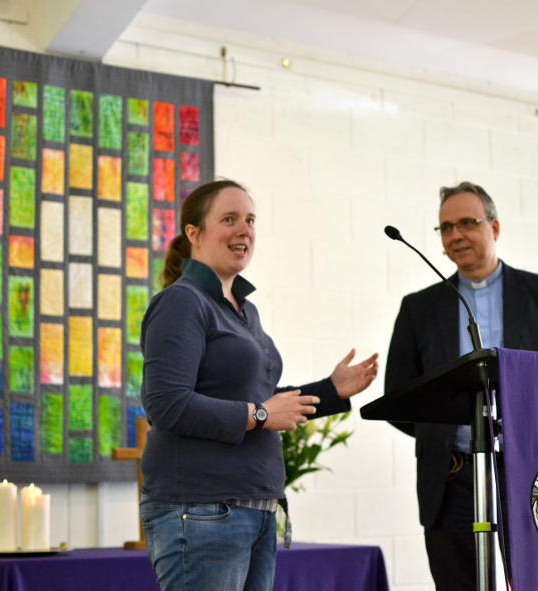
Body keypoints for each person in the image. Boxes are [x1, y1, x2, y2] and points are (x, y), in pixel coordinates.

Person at [139, 179, 379, 591]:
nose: (244, 229)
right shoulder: (182, 302)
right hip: (201, 511)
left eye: (250, 220)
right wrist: (261, 414)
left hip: (255, 508)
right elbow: (166, 404)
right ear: (194, 234)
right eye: (229, 219)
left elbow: (260, 402)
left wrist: (330, 391)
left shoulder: (244, 310)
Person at [384, 181, 538, 591]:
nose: (455, 235)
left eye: (466, 223)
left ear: (494, 228)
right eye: (445, 228)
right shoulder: (419, 308)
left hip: (535, 472)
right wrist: (446, 432)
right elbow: (400, 395)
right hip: (451, 476)